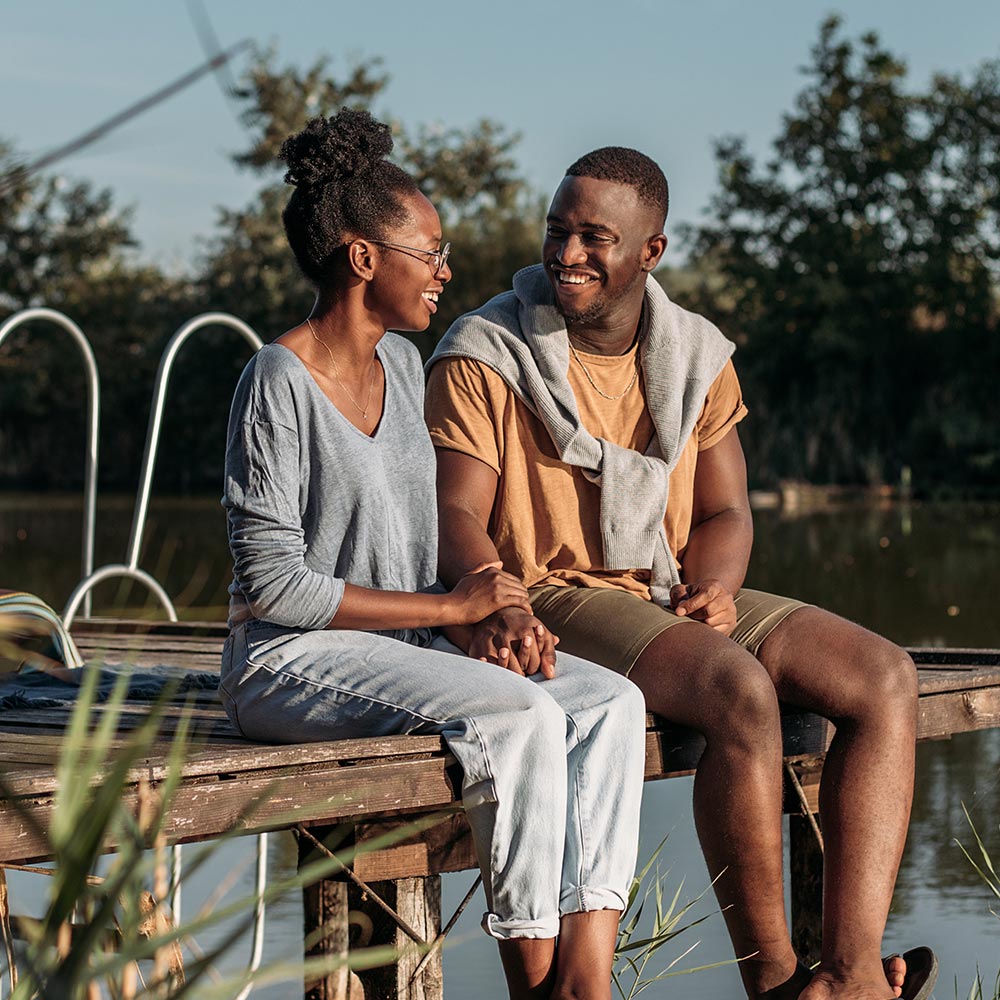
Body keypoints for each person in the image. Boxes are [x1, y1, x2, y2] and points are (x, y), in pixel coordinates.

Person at [425, 146, 937, 1000]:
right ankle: (776, 982)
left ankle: (851, 976)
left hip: (661, 585)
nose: (567, 254)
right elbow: (456, 514)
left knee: (886, 677)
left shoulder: (694, 354)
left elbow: (724, 512)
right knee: (738, 691)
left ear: (650, 252)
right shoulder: (486, 351)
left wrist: (717, 587)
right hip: (548, 591)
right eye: (558, 231)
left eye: (595, 237)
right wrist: (495, 596)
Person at [220, 111, 647, 1000]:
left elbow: (421, 542)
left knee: (610, 702)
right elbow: (276, 588)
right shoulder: (276, 381)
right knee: (521, 718)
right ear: (363, 258)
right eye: (431, 252)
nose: (445, 271)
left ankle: (585, 980)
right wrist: (452, 612)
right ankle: (535, 982)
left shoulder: (407, 367)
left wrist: (486, 619)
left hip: (404, 650)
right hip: (287, 662)